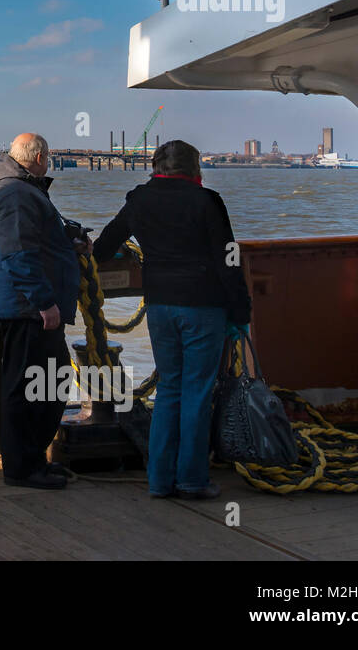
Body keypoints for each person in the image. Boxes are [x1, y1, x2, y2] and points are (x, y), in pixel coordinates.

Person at [91, 139, 252, 500]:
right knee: (197, 392)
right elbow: (229, 259)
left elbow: (103, 246)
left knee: (169, 392)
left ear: (155, 167)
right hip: (204, 306)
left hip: (160, 306)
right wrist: (241, 312)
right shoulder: (207, 202)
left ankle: (159, 481)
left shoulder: (139, 200)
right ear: (194, 168)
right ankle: (193, 479)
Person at [0, 133, 85, 489]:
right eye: (49, 157)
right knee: (30, 387)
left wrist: (70, 241)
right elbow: (18, 253)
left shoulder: (20, 189)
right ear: (39, 157)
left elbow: (32, 241)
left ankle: (33, 460)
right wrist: (43, 302)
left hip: (31, 306)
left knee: (47, 383)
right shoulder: (16, 193)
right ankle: (23, 469)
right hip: (29, 308)